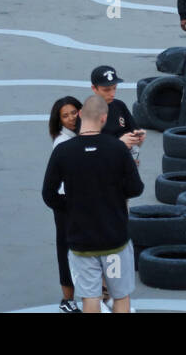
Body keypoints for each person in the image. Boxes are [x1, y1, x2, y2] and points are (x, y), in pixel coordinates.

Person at [41, 93, 144, 313]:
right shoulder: (117, 148)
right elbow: (136, 188)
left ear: (80, 114)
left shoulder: (63, 151)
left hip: (81, 240)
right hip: (115, 238)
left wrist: (74, 205)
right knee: (121, 296)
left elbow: (49, 195)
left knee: (90, 298)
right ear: (104, 118)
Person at [46, 95, 83, 312]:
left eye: (73, 112)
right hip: (66, 202)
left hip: (82, 200)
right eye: (64, 116)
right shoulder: (63, 143)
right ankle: (67, 299)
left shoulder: (84, 135)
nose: (70, 118)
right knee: (66, 249)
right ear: (59, 121)